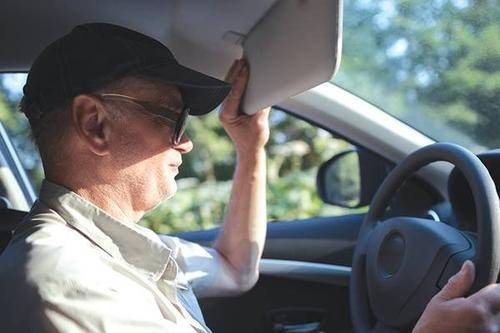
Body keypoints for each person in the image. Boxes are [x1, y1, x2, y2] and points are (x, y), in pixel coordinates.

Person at [0, 22, 498, 333]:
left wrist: (250, 146)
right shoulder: (63, 280)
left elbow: (235, 268)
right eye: (171, 118)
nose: (186, 142)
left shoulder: (112, 250)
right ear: (95, 124)